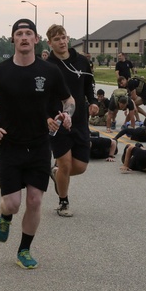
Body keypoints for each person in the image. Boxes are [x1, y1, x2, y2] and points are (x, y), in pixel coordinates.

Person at [0, 18, 73, 269]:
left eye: (28, 33)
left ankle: (24, 250)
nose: (23, 37)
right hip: (9, 145)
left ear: (36, 39)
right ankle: (5, 216)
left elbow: (69, 100)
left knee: (34, 201)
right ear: (13, 39)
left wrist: (67, 115)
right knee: (13, 203)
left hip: (40, 145)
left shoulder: (50, 71)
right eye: (19, 33)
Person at [45, 24, 95, 218]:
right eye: (57, 39)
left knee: (80, 167)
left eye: (64, 37)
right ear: (50, 43)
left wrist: (92, 102)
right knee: (65, 163)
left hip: (80, 120)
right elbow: (41, 97)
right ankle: (63, 202)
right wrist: (47, 118)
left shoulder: (81, 61)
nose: (62, 42)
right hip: (57, 121)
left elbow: (88, 84)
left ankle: (56, 174)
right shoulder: (48, 66)